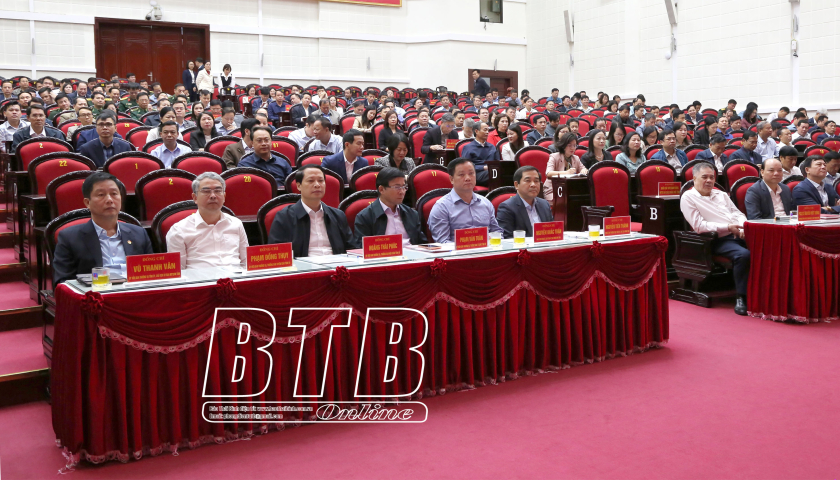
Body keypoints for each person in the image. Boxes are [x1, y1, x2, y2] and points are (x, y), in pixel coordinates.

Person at [52, 172, 153, 285]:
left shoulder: (139, 233)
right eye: (101, 195)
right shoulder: (70, 238)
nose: (109, 200)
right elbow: (62, 283)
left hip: (135, 292)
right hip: (96, 293)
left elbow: (151, 275)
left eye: (114, 193)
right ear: (87, 202)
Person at [680, 162, 749, 315]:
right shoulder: (688, 197)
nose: (709, 181)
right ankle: (742, 297)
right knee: (743, 255)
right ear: (694, 178)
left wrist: (741, 227)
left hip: (738, 233)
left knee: (768, 248)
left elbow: (737, 213)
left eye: (712, 177)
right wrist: (728, 227)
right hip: (715, 240)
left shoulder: (721, 194)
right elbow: (699, 226)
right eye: (704, 177)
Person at [267, 164, 354, 256]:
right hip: (302, 264)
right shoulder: (284, 217)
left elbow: (352, 249)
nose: (317, 185)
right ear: (299, 186)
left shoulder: (338, 215)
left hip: (337, 263)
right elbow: (277, 253)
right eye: (310, 181)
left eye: (321, 181)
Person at [166, 172, 248, 270]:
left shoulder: (236, 224)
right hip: (199, 279)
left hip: (236, 277)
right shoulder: (179, 230)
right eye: (206, 191)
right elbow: (177, 271)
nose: (213, 196)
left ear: (224, 196)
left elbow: (246, 262)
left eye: (218, 191)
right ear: (195, 198)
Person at [427, 158, 503, 243]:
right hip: (457, 251)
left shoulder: (485, 203)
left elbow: (496, 232)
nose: (468, 178)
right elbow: (443, 242)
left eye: (471, 173)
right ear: (451, 179)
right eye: (461, 175)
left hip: (487, 249)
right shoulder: (441, 207)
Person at [351, 167, 426, 247]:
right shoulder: (365, 217)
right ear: (381, 189)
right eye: (397, 187)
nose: (402, 192)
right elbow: (362, 249)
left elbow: (423, 244)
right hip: (383, 254)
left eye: (404, 187)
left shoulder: (412, 214)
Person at [496, 166, 554, 238]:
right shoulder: (507, 207)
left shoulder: (544, 204)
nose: (533, 185)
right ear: (516, 185)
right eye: (528, 181)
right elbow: (507, 239)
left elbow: (551, 232)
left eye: (536, 181)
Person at [544, 132, 586, 201]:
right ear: (563, 145)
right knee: (562, 201)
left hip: (570, 189)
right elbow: (548, 173)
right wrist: (566, 173)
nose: (572, 148)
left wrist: (584, 170)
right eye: (569, 145)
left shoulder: (576, 158)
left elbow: (583, 169)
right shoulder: (554, 156)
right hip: (554, 189)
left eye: (574, 145)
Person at [460, 121, 499, 186]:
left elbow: (498, 162)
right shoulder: (468, 147)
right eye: (485, 130)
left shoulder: (492, 147)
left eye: (488, 130)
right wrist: (483, 167)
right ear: (476, 131)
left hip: (492, 171)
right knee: (493, 173)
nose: (487, 132)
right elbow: (465, 166)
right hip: (476, 174)